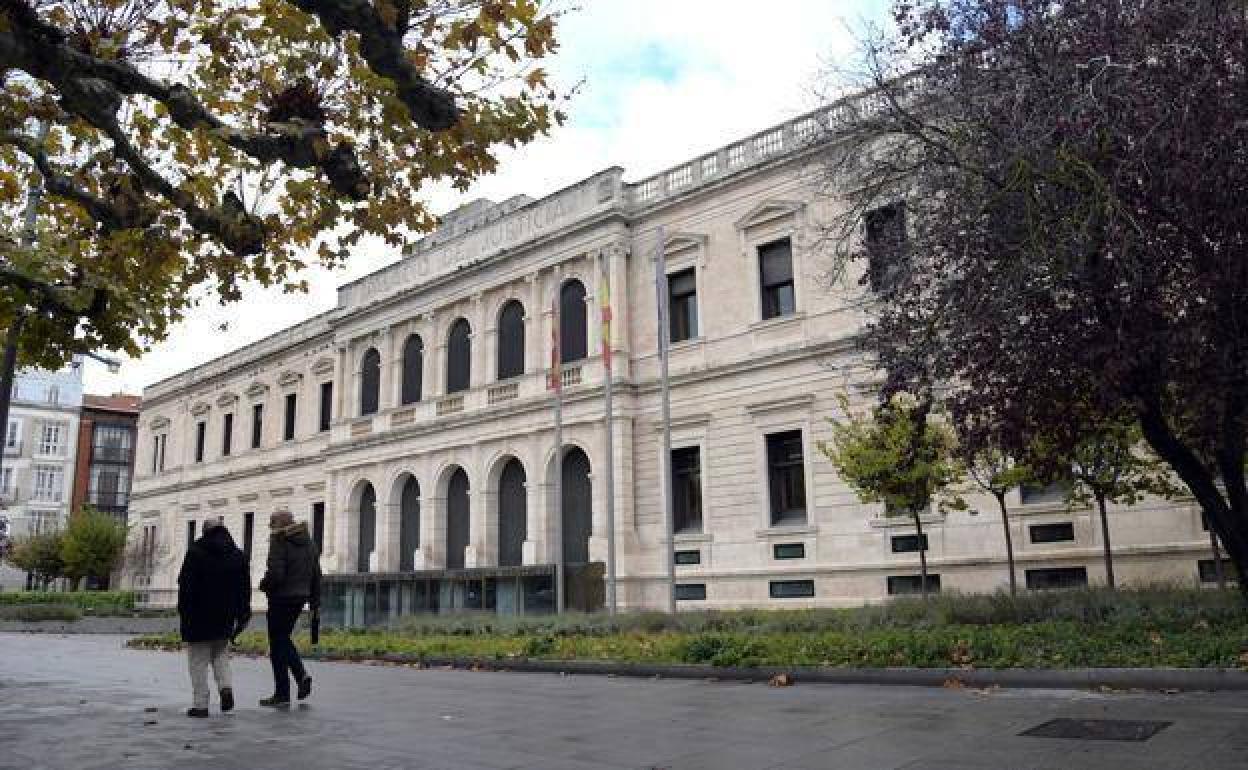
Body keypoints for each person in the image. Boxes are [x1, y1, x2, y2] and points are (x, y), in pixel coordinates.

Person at [176, 516, 251, 718]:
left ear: (205, 532)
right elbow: (244, 589)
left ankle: (200, 705)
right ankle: (225, 687)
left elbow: (185, 585)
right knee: (221, 655)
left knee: (198, 661)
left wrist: (183, 612)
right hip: (225, 616)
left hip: (198, 616)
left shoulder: (195, 552)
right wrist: (243, 614)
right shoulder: (238, 556)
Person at [258, 510, 321, 707]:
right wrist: (314, 602)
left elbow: (276, 574)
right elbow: (316, 575)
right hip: (299, 597)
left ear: (280, 523)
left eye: (272, 522)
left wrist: (264, 585)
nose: (270, 526)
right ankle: (286, 689)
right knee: (281, 641)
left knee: (279, 642)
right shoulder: (309, 543)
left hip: (281, 598)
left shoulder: (279, 540)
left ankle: (292, 683)